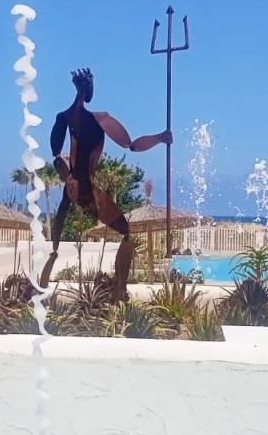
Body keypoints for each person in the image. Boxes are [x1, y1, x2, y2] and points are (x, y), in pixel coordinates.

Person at [39, 68, 171, 300]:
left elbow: (56, 156)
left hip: (73, 188)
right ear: (89, 89)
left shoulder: (64, 117)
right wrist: (160, 137)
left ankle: (43, 282)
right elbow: (131, 145)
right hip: (86, 190)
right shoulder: (99, 118)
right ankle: (119, 291)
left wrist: (68, 179)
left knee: (57, 237)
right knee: (126, 233)